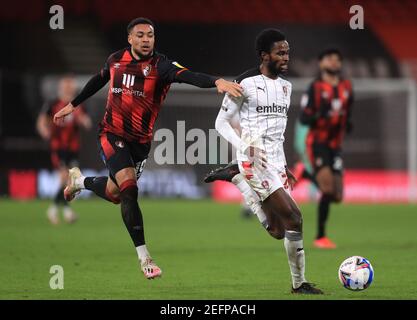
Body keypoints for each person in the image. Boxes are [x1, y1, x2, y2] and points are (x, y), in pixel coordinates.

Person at [52, 17, 243, 280]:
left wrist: (216, 81)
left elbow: (189, 75)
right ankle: (145, 258)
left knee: (115, 194)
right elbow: (98, 80)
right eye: (140, 35)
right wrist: (73, 105)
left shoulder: (161, 66)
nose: (146, 40)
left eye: (150, 35)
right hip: (111, 133)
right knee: (130, 190)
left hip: (140, 143)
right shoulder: (115, 60)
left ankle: (79, 181)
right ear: (130, 38)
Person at [208, 29, 323, 294]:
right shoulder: (244, 83)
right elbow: (221, 123)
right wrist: (244, 148)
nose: (286, 57)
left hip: (275, 162)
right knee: (295, 218)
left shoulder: (286, 87)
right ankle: (299, 284)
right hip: (253, 160)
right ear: (264, 55)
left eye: (287, 53)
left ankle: (237, 180)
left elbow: (277, 133)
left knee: (278, 230)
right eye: (280, 53)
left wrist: (284, 167)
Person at [299, 48, 354, 249]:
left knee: (337, 196)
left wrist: (347, 123)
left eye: (337, 59)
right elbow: (304, 118)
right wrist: (318, 115)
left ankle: (305, 173)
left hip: (335, 146)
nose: (334, 62)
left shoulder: (347, 87)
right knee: (327, 189)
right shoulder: (315, 88)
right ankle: (320, 236)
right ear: (321, 63)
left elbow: (348, 112)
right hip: (318, 143)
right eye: (329, 59)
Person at [37, 75, 92, 225]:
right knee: (63, 177)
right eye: (67, 86)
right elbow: (42, 121)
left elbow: (86, 121)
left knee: (69, 181)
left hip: (73, 148)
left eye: (71, 86)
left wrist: (84, 121)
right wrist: (44, 131)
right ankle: (56, 210)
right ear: (62, 87)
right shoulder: (53, 103)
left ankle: (64, 211)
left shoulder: (78, 105)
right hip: (58, 146)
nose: (69, 88)